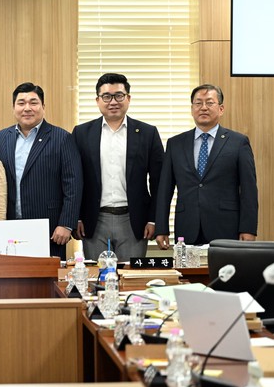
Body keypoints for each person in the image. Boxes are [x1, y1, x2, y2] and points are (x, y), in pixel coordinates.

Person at [73, 73, 164, 260]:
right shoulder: (81, 133)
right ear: (97, 100)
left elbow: (159, 182)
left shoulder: (147, 133)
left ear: (128, 98)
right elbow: (74, 180)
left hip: (133, 220)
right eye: (106, 96)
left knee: (130, 274)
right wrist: (77, 217)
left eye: (119, 96)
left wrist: (154, 219)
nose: (113, 101)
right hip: (94, 220)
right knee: (97, 275)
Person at [155, 84, 258, 248]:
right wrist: (161, 228)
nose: (203, 108)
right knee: (188, 266)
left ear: (221, 109)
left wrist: (248, 228)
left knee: (225, 266)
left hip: (226, 226)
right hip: (187, 226)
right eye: (198, 103)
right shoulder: (175, 144)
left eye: (209, 103)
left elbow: (249, 189)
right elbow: (164, 190)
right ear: (192, 109)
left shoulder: (238, 142)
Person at [0, 82, 83, 260]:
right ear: (14, 107)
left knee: (47, 276)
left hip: (49, 228)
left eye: (33, 102)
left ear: (43, 107)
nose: (27, 108)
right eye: (21, 103)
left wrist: (66, 224)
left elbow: (73, 184)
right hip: (8, 226)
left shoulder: (62, 138)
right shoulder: (0, 139)